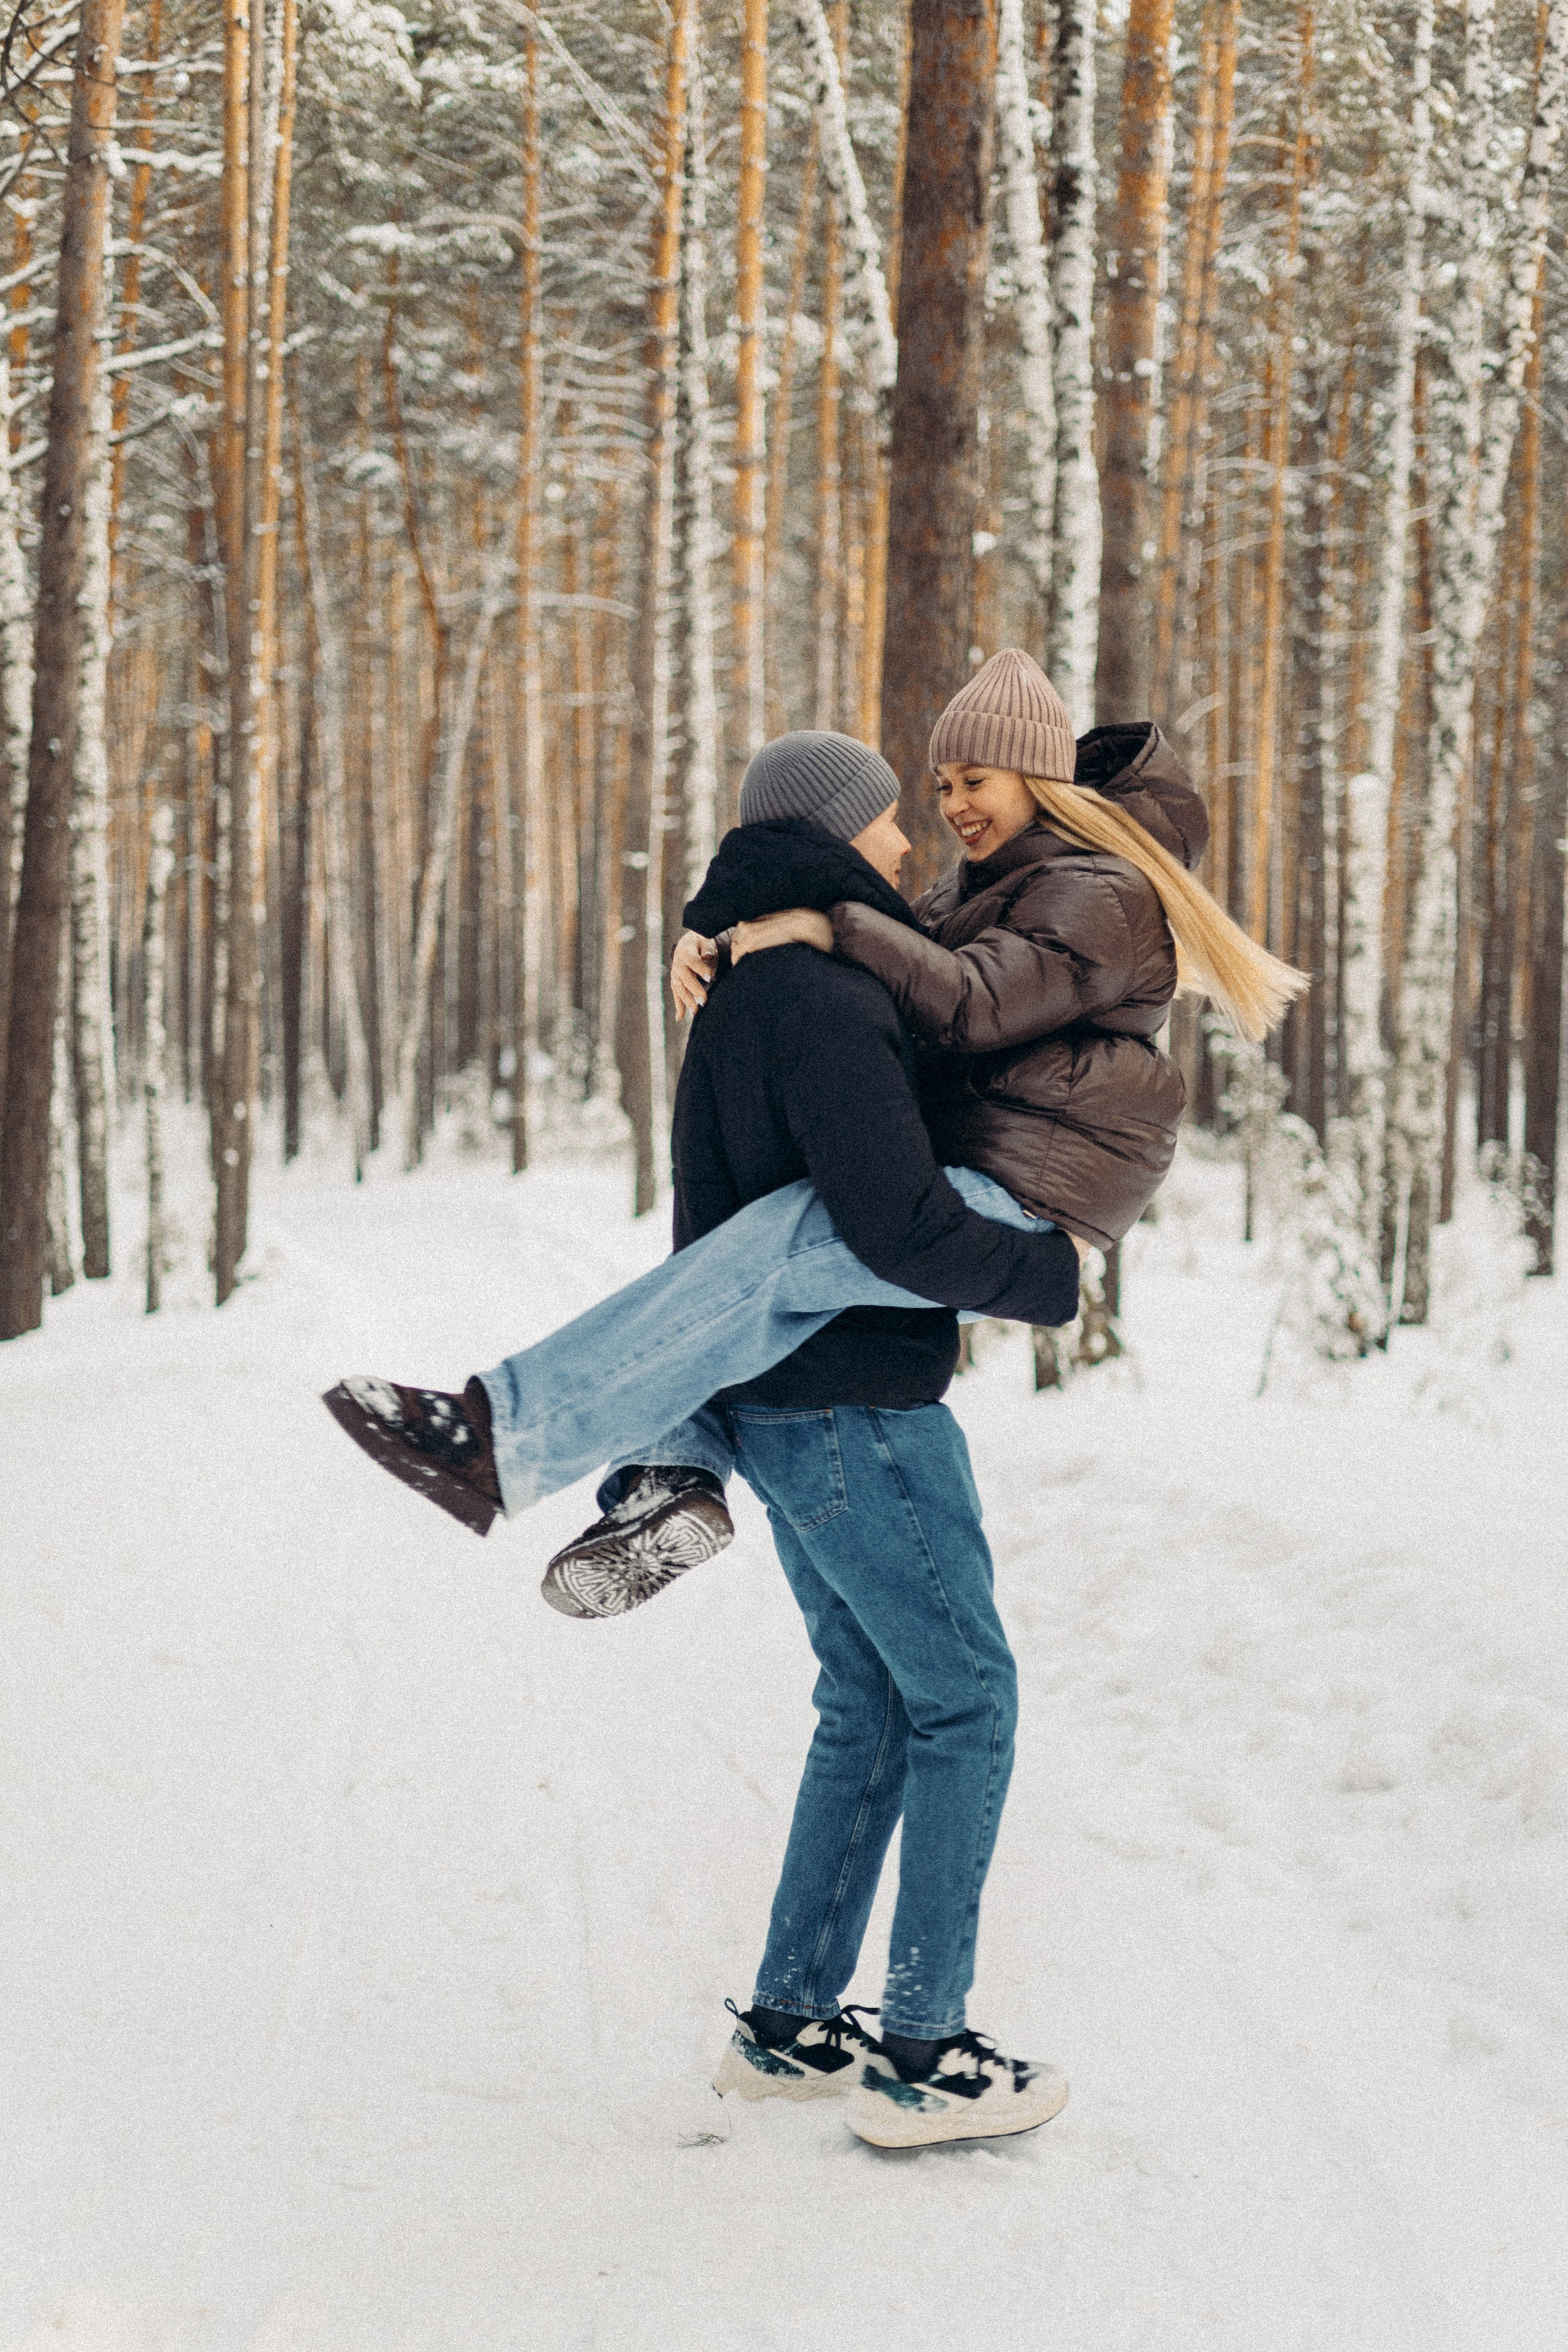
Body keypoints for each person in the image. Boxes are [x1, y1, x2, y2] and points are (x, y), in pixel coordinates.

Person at [325, 723, 1087, 2147]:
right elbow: (892, 1222)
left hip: (786, 1413)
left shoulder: (738, 991)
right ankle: (923, 2055)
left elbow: (711, 1226)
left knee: (870, 1705)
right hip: (863, 1407)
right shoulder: (822, 1000)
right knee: (966, 1701)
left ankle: (790, 2028)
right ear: (833, 831)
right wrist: (1043, 1275)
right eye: (885, 819)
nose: (907, 841)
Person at [538, 649, 1302, 1616]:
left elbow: (969, 1000)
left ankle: (534, 1433)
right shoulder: (988, 889)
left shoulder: (1098, 890)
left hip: (1027, 1193)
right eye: (941, 787)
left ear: (1036, 777)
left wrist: (832, 927)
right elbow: (893, 939)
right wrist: (719, 930)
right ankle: (673, 1470)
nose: (952, 807)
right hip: (990, 1173)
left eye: (974, 781)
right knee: (748, 1275)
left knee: (750, 1270)